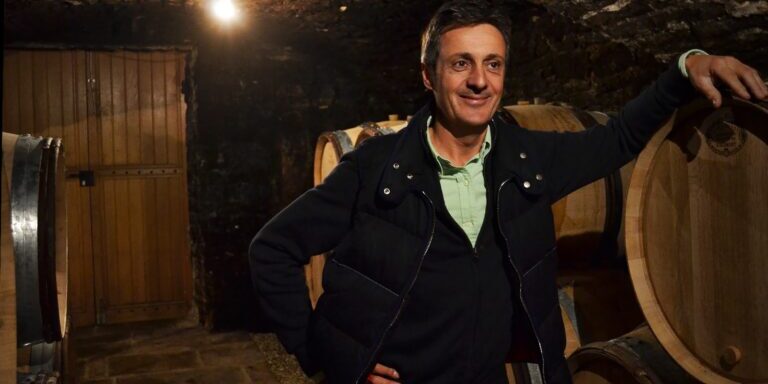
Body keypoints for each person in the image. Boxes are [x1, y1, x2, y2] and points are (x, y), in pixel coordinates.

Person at [248, 1, 767, 383]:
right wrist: (324, 354)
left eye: (492, 64)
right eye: (461, 63)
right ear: (429, 76)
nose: (480, 81)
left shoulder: (529, 159)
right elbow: (272, 249)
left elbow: (620, 137)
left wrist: (687, 66)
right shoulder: (375, 168)